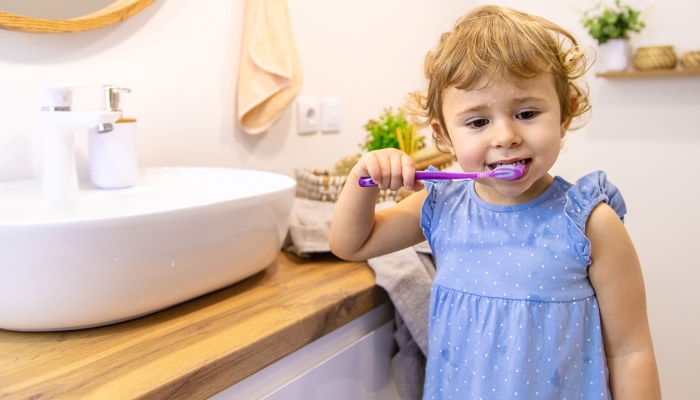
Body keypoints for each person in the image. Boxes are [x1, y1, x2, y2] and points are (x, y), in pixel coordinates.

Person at [329, 5, 661, 399]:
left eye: (526, 112)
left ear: (565, 114)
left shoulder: (590, 223)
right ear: (445, 134)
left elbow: (630, 352)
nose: (505, 136)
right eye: (477, 122)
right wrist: (362, 178)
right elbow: (352, 243)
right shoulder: (444, 206)